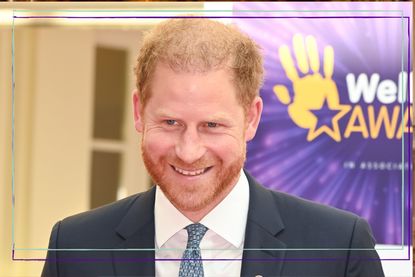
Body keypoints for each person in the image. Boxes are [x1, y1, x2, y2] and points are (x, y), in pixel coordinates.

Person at [42, 18, 384, 277]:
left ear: (251, 118)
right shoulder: (74, 247)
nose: (189, 151)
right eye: (170, 123)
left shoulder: (338, 247)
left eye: (212, 125)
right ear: (138, 112)